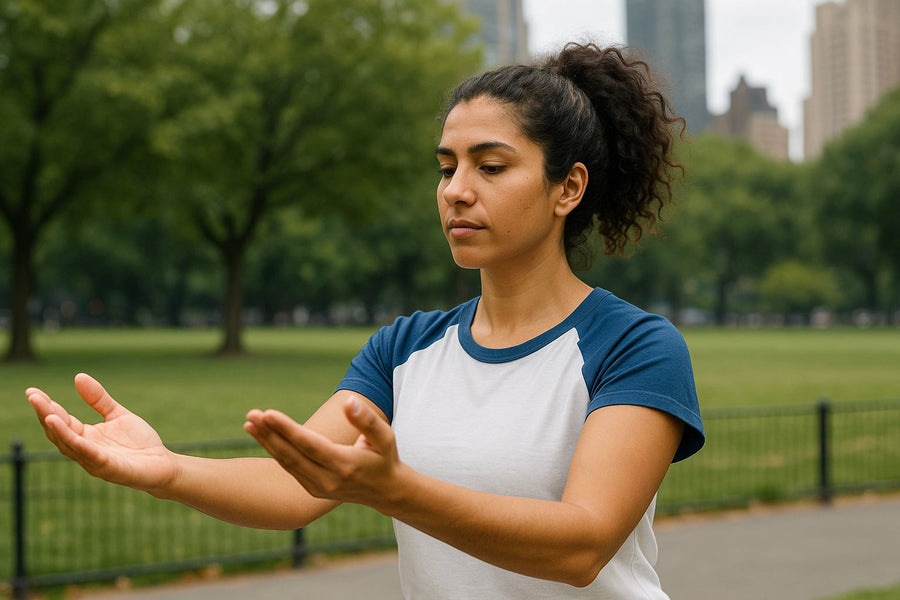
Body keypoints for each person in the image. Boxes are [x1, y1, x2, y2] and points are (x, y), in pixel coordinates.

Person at [27, 42, 704, 598]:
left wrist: (401, 492)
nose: (456, 191)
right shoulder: (406, 348)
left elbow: (582, 545)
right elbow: (298, 490)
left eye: (491, 166)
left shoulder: (635, 347)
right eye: (446, 168)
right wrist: (166, 468)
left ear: (569, 188)